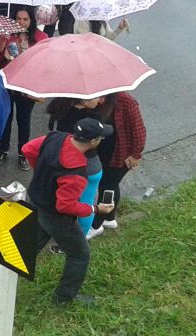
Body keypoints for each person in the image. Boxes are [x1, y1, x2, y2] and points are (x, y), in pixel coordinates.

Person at [22, 119, 115, 306]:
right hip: (56, 217)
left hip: (35, 200)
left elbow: (28, 149)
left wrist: (41, 174)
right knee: (80, 254)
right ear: (94, 142)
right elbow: (65, 206)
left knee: (26, 249)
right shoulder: (76, 171)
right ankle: (64, 298)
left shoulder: (55, 138)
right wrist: (96, 209)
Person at [0, 6, 47, 168]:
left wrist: (24, 58)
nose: (21, 22)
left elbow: (43, 62)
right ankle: (3, 150)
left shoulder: (40, 38)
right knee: (6, 119)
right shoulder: (8, 34)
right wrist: (2, 45)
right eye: (18, 18)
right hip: (7, 83)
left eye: (25, 19)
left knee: (24, 121)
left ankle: (24, 153)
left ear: (31, 20)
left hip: (26, 86)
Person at [89, 93, 145, 237]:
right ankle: (109, 218)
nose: (99, 100)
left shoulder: (126, 101)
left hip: (120, 154)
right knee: (111, 184)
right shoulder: (95, 99)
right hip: (104, 152)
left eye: (102, 97)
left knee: (107, 186)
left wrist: (135, 154)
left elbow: (138, 130)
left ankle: (96, 225)